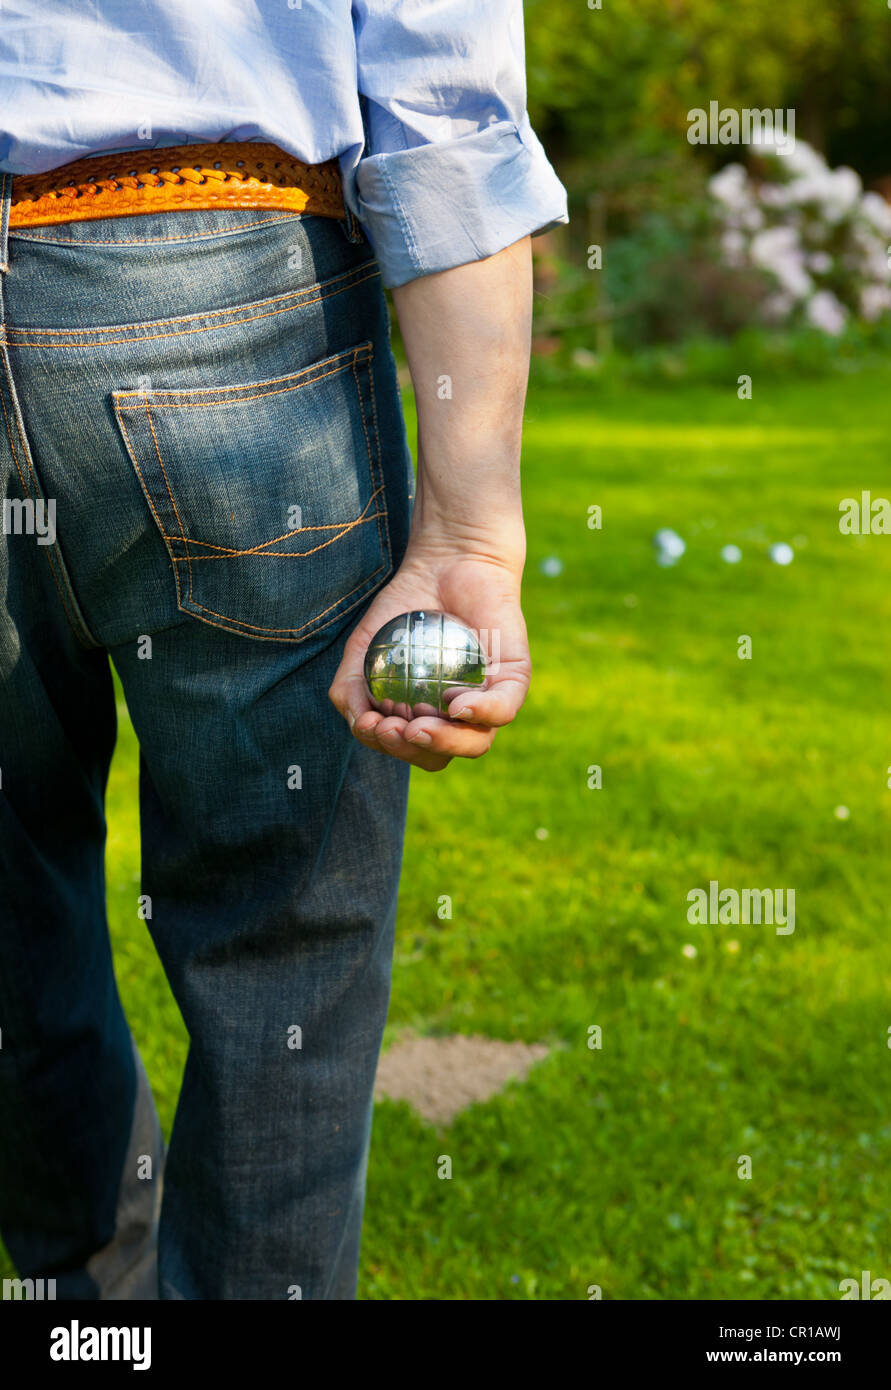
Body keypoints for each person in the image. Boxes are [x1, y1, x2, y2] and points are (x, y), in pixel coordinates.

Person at [0, 1, 567, 1300]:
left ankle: (89, 1299)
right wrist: (471, 534)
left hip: (204, 276)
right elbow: (443, 104)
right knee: (282, 940)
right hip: (228, 297)